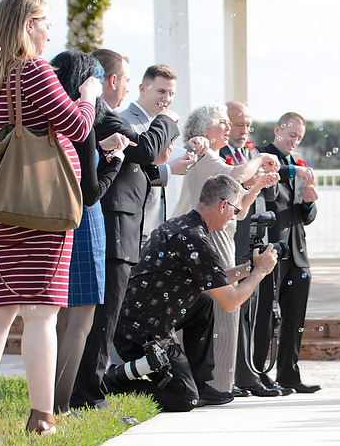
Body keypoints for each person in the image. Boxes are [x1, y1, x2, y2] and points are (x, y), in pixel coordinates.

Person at [0, 0, 98, 434]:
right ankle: (42, 417)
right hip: (40, 209)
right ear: (27, 25)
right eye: (45, 24)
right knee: (41, 313)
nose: (48, 34)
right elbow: (78, 126)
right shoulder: (35, 71)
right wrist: (89, 96)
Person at [70, 52, 185, 411]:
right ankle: (88, 394)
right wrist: (167, 120)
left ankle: (83, 389)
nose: (166, 99)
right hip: (113, 225)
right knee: (102, 318)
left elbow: (135, 165)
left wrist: (162, 167)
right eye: (128, 79)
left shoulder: (100, 116)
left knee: (102, 316)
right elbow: (146, 149)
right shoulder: (107, 116)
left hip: (122, 226)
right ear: (113, 81)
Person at [105, 175, 279, 411]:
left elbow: (214, 277)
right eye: (235, 210)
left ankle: (200, 382)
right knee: (185, 398)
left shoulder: (181, 225)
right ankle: (113, 382)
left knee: (203, 303)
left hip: (137, 318)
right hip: (141, 334)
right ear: (223, 205)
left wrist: (249, 268)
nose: (234, 217)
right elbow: (230, 302)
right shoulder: (196, 239)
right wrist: (260, 272)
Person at [173, 104, 280, 404]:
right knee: (223, 307)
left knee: (223, 312)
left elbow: (239, 209)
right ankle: (213, 383)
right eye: (222, 122)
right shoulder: (205, 155)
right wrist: (259, 158)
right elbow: (235, 174)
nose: (228, 127)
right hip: (206, 236)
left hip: (222, 235)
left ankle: (220, 381)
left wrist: (258, 184)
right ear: (205, 128)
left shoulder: (214, 157)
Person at [48, 50, 132, 415]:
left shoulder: (54, 113)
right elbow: (91, 192)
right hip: (84, 223)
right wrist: (114, 162)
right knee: (81, 321)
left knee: (56, 319)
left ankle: (44, 400)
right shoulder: (84, 117)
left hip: (52, 219)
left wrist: (100, 150)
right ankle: (59, 406)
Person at [253, 112, 322, 394]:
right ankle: (257, 372)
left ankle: (289, 374)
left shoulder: (299, 166)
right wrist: (295, 172)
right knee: (265, 315)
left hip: (297, 251)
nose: (295, 141)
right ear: (277, 130)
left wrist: (308, 203)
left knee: (295, 317)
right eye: (291, 134)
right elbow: (270, 175)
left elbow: (307, 217)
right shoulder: (261, 157)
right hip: (271, 248)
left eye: (299, 137)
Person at [221, 100, 283, 397]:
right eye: (238, 125)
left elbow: (268, 196)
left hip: (253, 240)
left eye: (248, 125)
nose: (244, 130)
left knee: (253, 312)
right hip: (232, 241)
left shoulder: (250, 154)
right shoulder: (222, 157)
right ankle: (238, 375)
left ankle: (251, 371)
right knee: (235, 308)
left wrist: (267, 179)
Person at [120, 65, 196, 248]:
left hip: (154, 226)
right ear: (143, 89)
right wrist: (169, 170)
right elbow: (131, 174)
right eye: (161, 91)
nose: (167, 99)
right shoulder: (125, 122)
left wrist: (192, 149)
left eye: (171, 94)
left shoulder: (158, 123)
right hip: (134, 228)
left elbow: (160, 160)